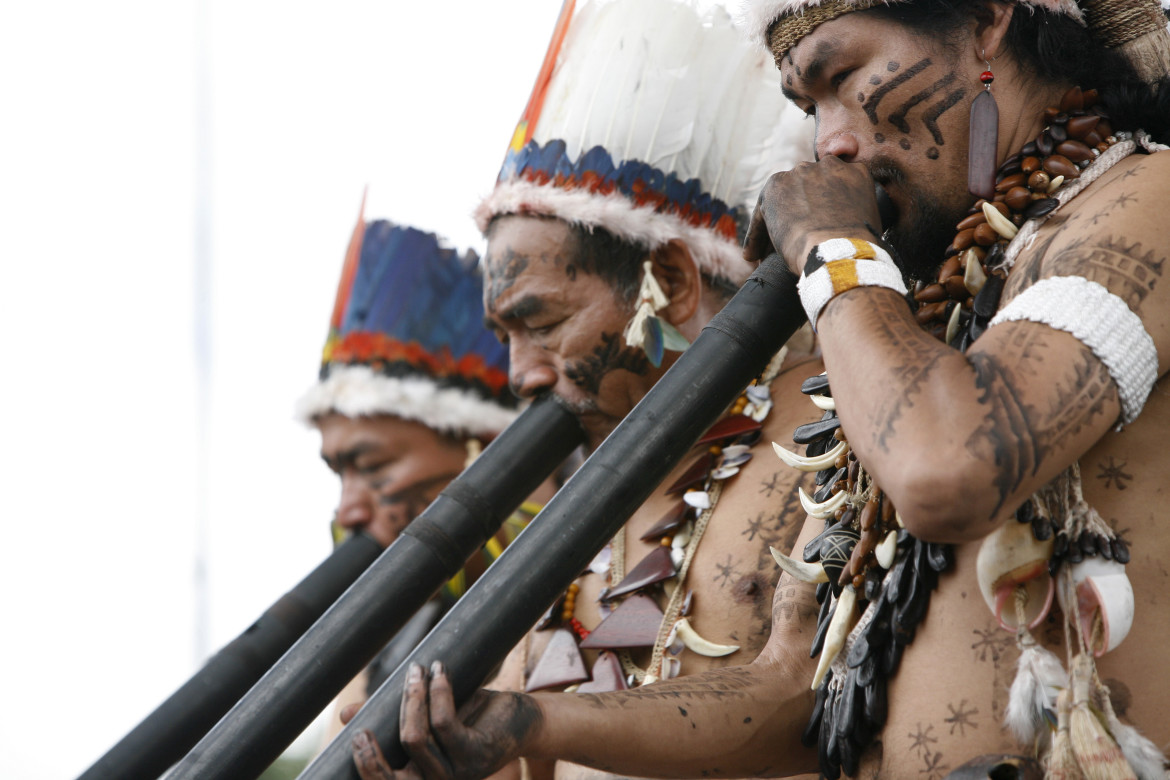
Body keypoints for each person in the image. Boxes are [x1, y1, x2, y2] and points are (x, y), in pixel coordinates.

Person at [349, 2, 1170, 779]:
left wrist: (834, 252)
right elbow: (799, 695)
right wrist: (529, 724)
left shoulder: (1148, 198)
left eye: (840, 77)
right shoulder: (929, 314)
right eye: (808, 108)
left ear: (987, 21)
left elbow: (949, 469)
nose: (830, 143)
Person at [343, 0, 818, 777]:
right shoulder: (566, 523)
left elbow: (809, 698)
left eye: (542, 322)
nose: (519, 374)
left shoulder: (833, 426)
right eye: (504, 336)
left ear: (670, 280)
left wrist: (539, 722)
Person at [295, 206, 552, 737]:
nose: (348, 511)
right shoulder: (383, 641)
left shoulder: (595, 582)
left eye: (372, 465)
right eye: (339, 475)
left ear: (484, 451)